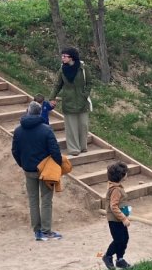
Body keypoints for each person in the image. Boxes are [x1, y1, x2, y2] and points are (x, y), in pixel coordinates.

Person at [11, 101, 63, 241]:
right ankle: (46, 230)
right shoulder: (46, 130)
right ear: (40, 113)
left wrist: (22, 164)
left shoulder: (18, 130)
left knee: (33, 200)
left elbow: (15, 151)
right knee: (46, 199)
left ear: (28, 111)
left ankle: (37, 231)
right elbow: (55, 151)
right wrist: (57, 166)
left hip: (28, 169)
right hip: (45, 170)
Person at [49, 47, 92, 156]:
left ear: (71, 57)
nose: (62, 58)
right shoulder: (62, 69)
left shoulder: (83, 68)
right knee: (71, 126)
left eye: (65, 56)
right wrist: (52, 98)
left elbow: (90, 83)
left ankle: (83, 146)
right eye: (62, 56)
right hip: (68, 101)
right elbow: (57, 85)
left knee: (83, 125)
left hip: (82, 101)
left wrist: (85, 94)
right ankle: (74, 149)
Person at [102, 162, 134, 270]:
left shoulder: (117, 187)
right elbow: (113, 206)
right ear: (121, 175)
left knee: (125, 239)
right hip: (115, 220)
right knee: (119, 239)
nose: (127, 174)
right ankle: (108, 256)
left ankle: (120, 259)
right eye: (125, 173)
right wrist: (124, 218)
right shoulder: (116, 189)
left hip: (118, 219)